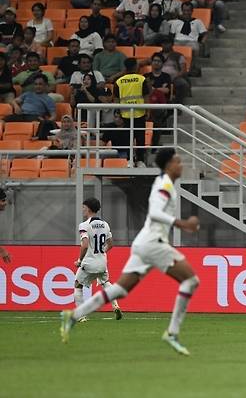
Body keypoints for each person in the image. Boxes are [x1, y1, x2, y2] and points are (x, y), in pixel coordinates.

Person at [61, 148, 202, 356]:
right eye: (178, 162)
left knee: (120, 289)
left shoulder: (165, 184)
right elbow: (154, 212)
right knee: (191, 281)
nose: (181, 165)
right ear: (169, 165)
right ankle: (172, 333)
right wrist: (181, 223)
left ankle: (74, 315)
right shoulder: (164, 185)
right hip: (155, 243)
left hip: (144, 243)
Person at [72, 198, 123, 322]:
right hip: (102, 262)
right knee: (106, 283)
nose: (83, 210)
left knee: (78, 285)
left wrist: (79, 260)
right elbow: (110, 244)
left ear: (88, 208)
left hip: (89, 263)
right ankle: (115, 305)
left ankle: (81, 315)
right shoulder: (105, 224)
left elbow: (84, 245)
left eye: (84, 207)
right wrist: (100, 252)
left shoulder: (84, 225)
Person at [114, 58, 150, 166]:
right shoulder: (141, 79)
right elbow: (146, 97)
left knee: (127, 137)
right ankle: (140, 160)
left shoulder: (119, 81)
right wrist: (148, 111)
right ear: (135, 67)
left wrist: (118, 113)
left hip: (125, 113)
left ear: (125, 67)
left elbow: (116, 100)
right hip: (139, 113)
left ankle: (129, 160)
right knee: (140, 138)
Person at [6, 74, 57, 140]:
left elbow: (54, 116)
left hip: (34, 117)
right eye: (35, 84)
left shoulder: (48, 99)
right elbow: (13, 101)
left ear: (45, 85)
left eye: (40, 84)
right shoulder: (27, 94)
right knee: (2, 121)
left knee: (35, 124)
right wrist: (16, 106)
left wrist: (45, 122)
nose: (37, 86)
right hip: (21, 115)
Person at [160, 36, 191, 103]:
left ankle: (178, 104)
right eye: (164, 43)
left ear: (171, 44)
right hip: (160, 77)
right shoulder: (157, 55)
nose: (165, 45)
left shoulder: (178, 55)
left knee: (183, 84)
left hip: (174, 78)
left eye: (167, 43)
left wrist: (175, 77)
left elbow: (183, 70)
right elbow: (147, 61)